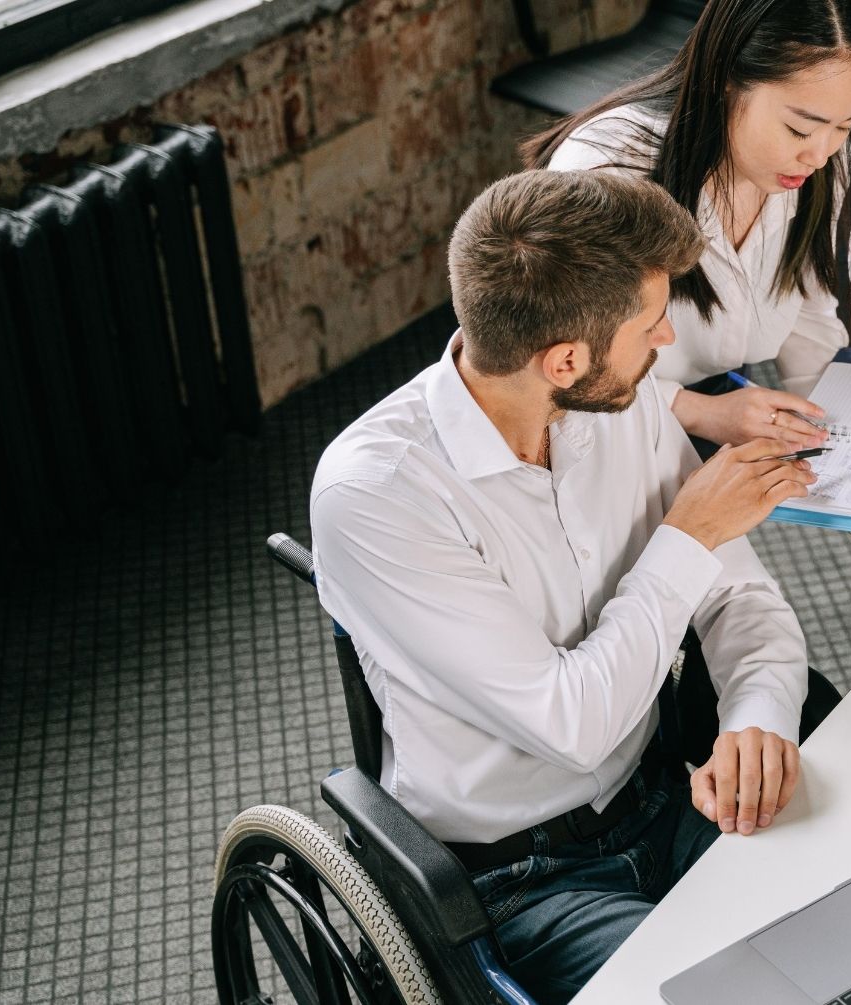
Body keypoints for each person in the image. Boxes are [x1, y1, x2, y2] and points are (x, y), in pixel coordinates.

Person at [309, 170, 818, 1002]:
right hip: (516, 877)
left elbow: (738, 597)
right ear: (567, 359)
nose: (664, 344)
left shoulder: (626, 405)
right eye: (650, 325)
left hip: (665, 793)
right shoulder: (374, 495)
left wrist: (756, 715)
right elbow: (571, 725)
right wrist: (686, 533)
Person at [519, 0, 851, 454]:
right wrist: (702, 413)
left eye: (846, 126)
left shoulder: (825, 162)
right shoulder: (607, 175)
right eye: (798, 129)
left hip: (719, 404)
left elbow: (808, 312)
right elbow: (563, 369)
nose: (820, 154)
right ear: (724, 80)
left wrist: (826, 423)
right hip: (588, 424)